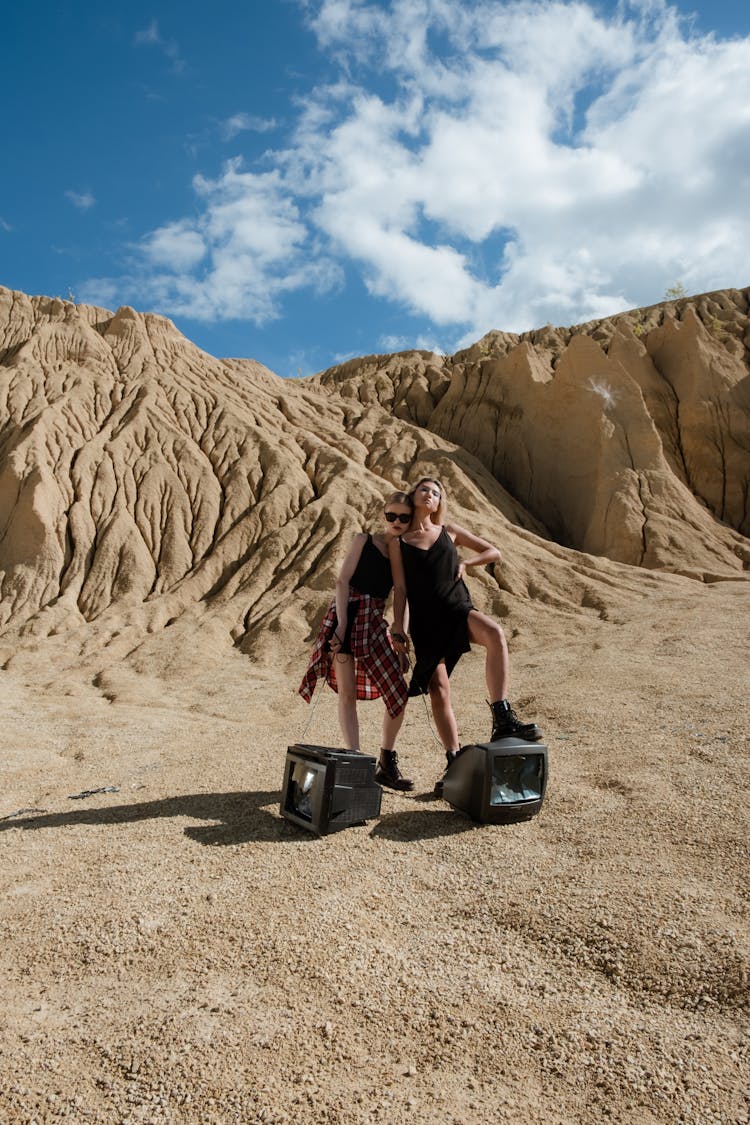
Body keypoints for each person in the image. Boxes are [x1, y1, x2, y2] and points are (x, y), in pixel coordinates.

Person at [389, 477, 541, 793]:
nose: (429, 495)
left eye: (435, 493)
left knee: (495, 634)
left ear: (438, 502)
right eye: (424, 490)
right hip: (426, 624)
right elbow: (401, 590)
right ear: (413, 496)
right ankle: (454, 761)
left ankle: (501, 716)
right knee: (439, 690)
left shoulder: (450, 532)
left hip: (458, 609)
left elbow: (493, 551)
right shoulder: (399, 542)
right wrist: (399, 630)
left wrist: (466, 562)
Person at [299, 492, 414, 791]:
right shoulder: (363, 540)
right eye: (391, 515)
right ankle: (356, 763)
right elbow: (342, 581)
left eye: (404, 517)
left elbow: (401, 590)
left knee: (398, 692)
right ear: (383, 515)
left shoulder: (401, 551)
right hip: (347, 615)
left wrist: (401, 635)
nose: (397, 522)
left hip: (375, 621)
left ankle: (386, 762)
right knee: (346, 695)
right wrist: (342, 625)